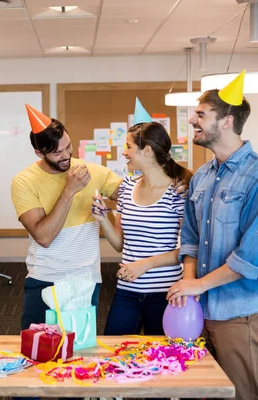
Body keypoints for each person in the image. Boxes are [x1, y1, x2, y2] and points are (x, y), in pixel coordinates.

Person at [166, 77, 258, 400]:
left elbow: (250, 259)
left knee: (241, 393)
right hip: (200, 313)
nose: (192, 120)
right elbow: (190, 237)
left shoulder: (255, 177)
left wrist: (198, 286)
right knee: (203, 392)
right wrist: (189, 290)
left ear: (227, 121)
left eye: (201, 114)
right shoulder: (202, 176)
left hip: (238, 314)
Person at [11, 105, 122, 331]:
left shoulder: (93, 172)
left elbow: (135, 197)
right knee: (38, 349)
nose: (67, 156)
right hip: (45, 278)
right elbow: (43, 236)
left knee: (80, 350)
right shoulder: (23, 181)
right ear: (39, 153)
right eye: (57, 152)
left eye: (69, 147)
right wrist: (69, 191)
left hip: (84, 279)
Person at [91, 122, 192, 336]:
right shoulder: (127, 187)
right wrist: (102, 219)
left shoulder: (177, 191)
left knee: (161, 361)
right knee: (114, 353)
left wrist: (144, 265)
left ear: (147, 151)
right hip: (127, 291)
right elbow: (120, 244)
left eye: (128, 147)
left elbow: (188, 250)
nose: (124, 153)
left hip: (164, 293)